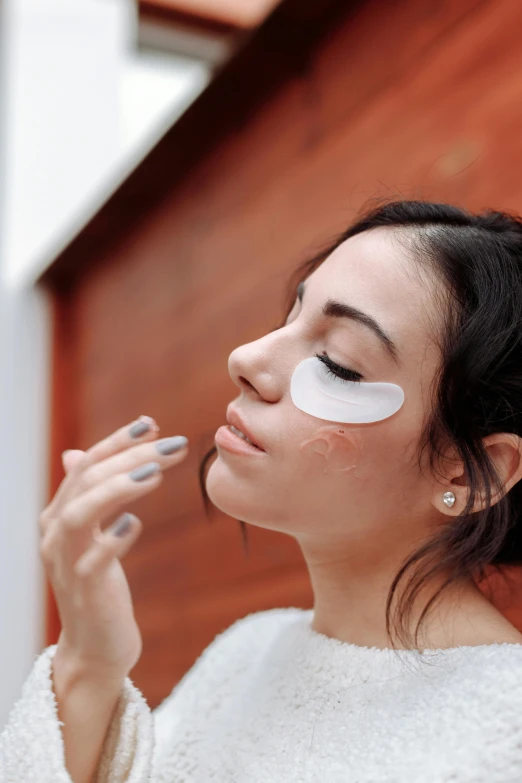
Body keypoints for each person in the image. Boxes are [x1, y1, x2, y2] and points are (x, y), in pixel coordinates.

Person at [2, 199, 522, 783]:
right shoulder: (246, 656)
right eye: (290, 317)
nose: (246, 358)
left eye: (338, 363)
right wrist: (87, 664)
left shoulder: (506, 730)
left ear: (469, 471)